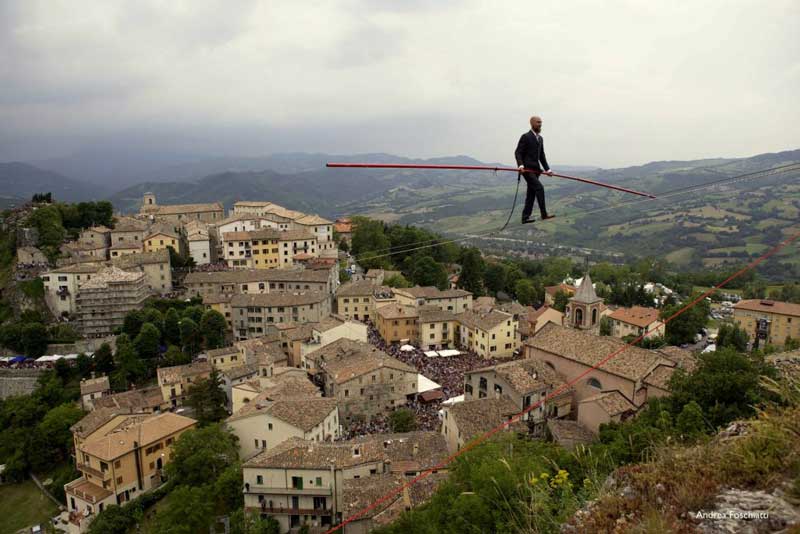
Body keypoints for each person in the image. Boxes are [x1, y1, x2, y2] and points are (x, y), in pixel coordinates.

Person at [515, 116, 555, 224]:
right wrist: (521, 166)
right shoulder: (525, 137)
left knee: (531, 193)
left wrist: (548, 169)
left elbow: (542, 156)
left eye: (541, 122)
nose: (540, 124)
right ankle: (544, 214)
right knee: (539, 188)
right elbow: (518, 152)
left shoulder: (540, 139)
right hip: (527, 170)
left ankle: (525, 217)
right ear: (532, 123)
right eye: (538, 122)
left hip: (536, 170)